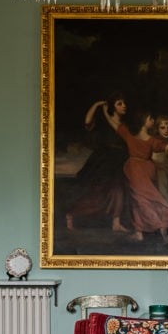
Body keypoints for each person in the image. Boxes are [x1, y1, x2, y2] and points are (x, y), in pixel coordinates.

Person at [114, 110, 168, 242]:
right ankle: (149, 228)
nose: (166, 131)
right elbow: (156, 155)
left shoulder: (160, 142)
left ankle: (158, 228)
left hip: (158, 176)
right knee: (146, 201)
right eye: (162, 127)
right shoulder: (153, 140)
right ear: (156, 128)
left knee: (156, 200)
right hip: (147, 175)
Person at [65, 92, 130, 232]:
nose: (124, 106)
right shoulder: (104, 123)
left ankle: (116, 223)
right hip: (104, 161)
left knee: (118, 189)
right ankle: (71, 214)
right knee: (99, 193)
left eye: (124, 103)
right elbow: (87, 122)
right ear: (112, 107)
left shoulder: (125, 124)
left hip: (119, 160)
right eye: (119, 103)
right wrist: (96, 105)